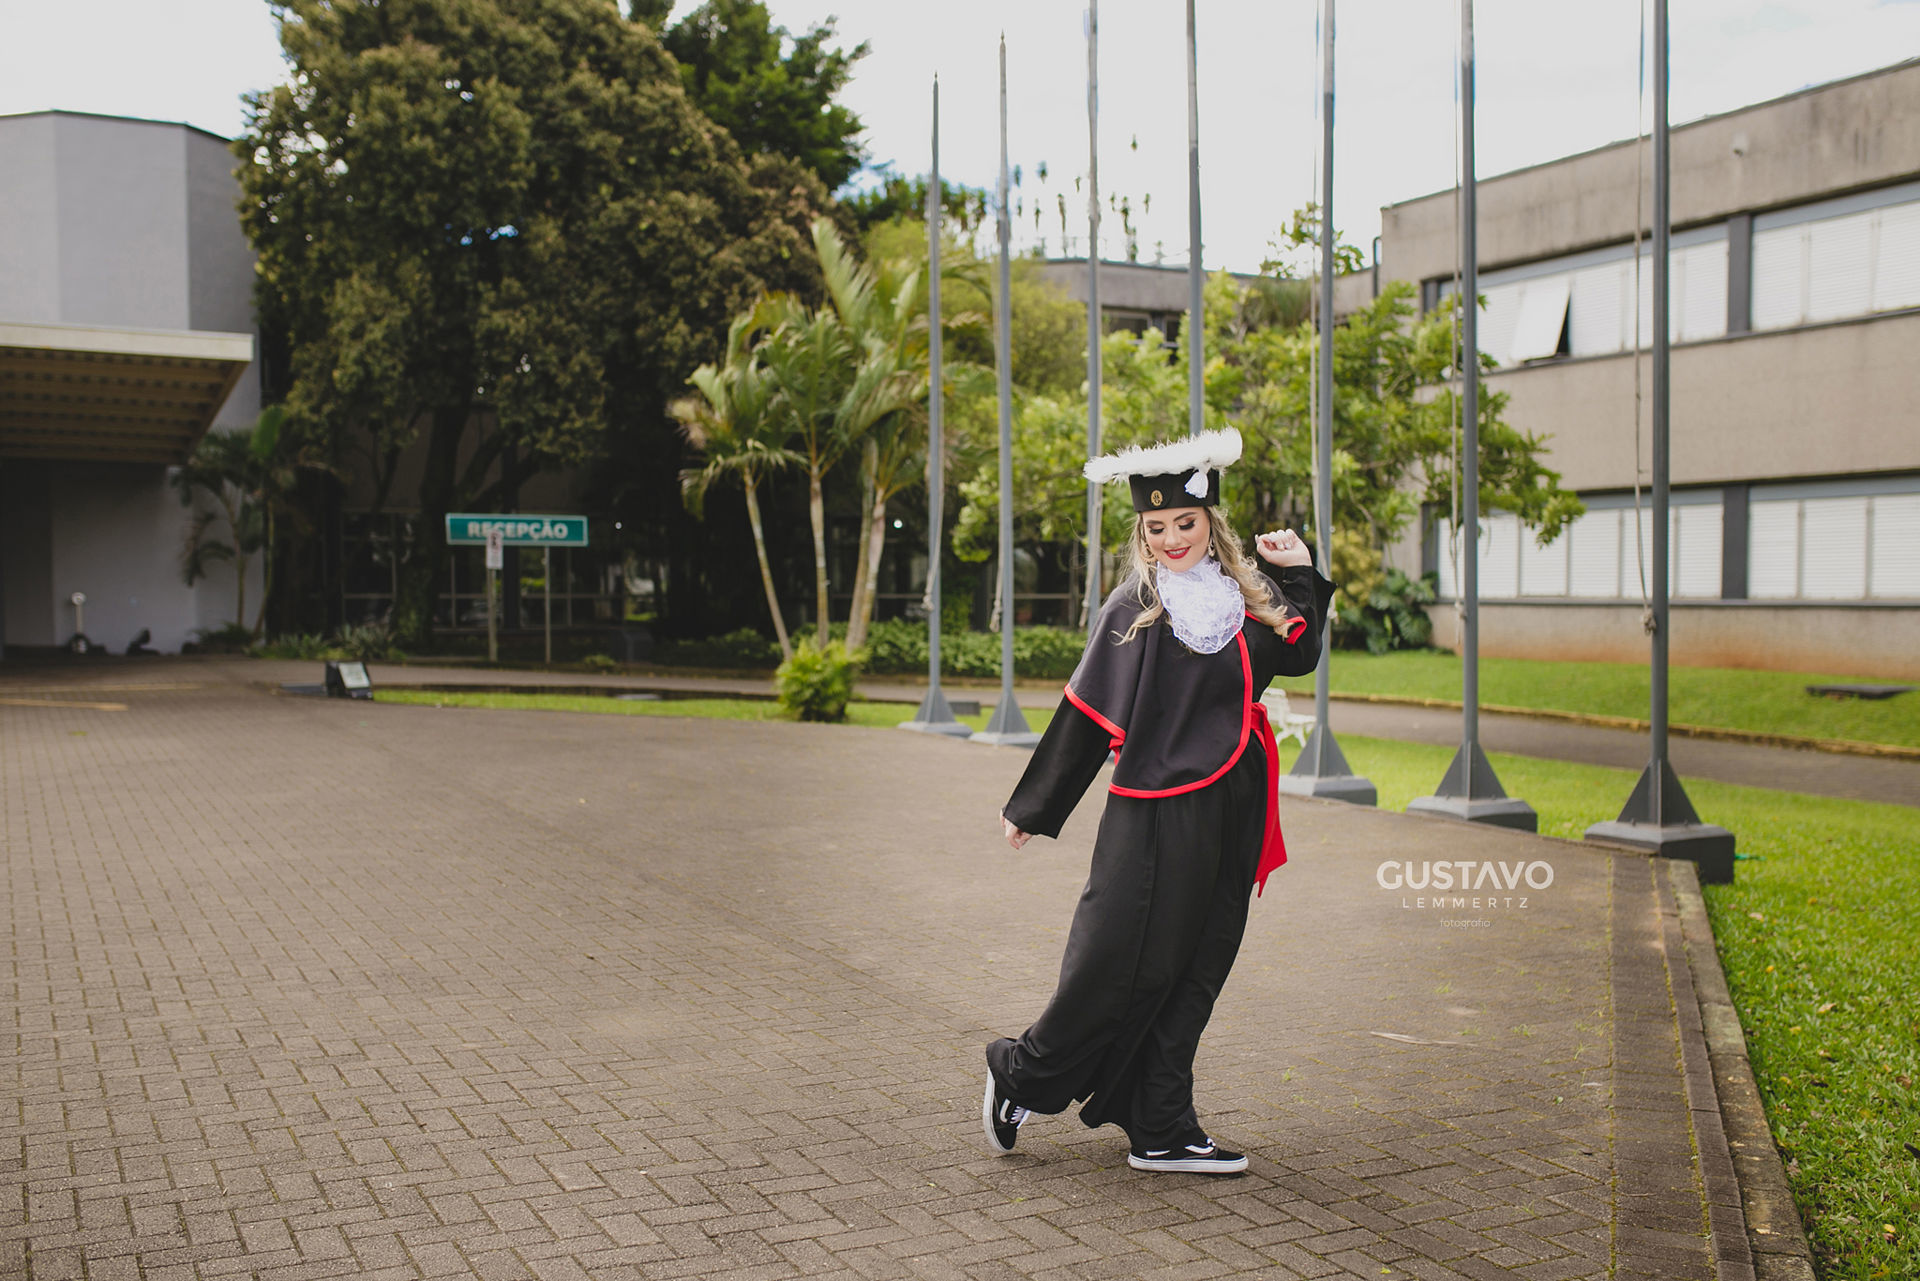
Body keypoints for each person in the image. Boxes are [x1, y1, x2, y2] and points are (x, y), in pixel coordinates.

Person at [982, 426, 1333, 1175]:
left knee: (1201, 964)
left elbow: (1298, 649)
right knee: (1118, 964)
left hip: (1233, 804)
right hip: (1153, 810)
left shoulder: (1242, 594)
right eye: (1157, 526)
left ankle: (1162, 1123)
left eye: (1186, 522)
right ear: (1141, 530)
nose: (1173, 537)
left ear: (1211, 521)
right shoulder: (1136, 604)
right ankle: (1023, 1071)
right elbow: (1086, 712)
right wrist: (1034, 806)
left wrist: (1300, 572)